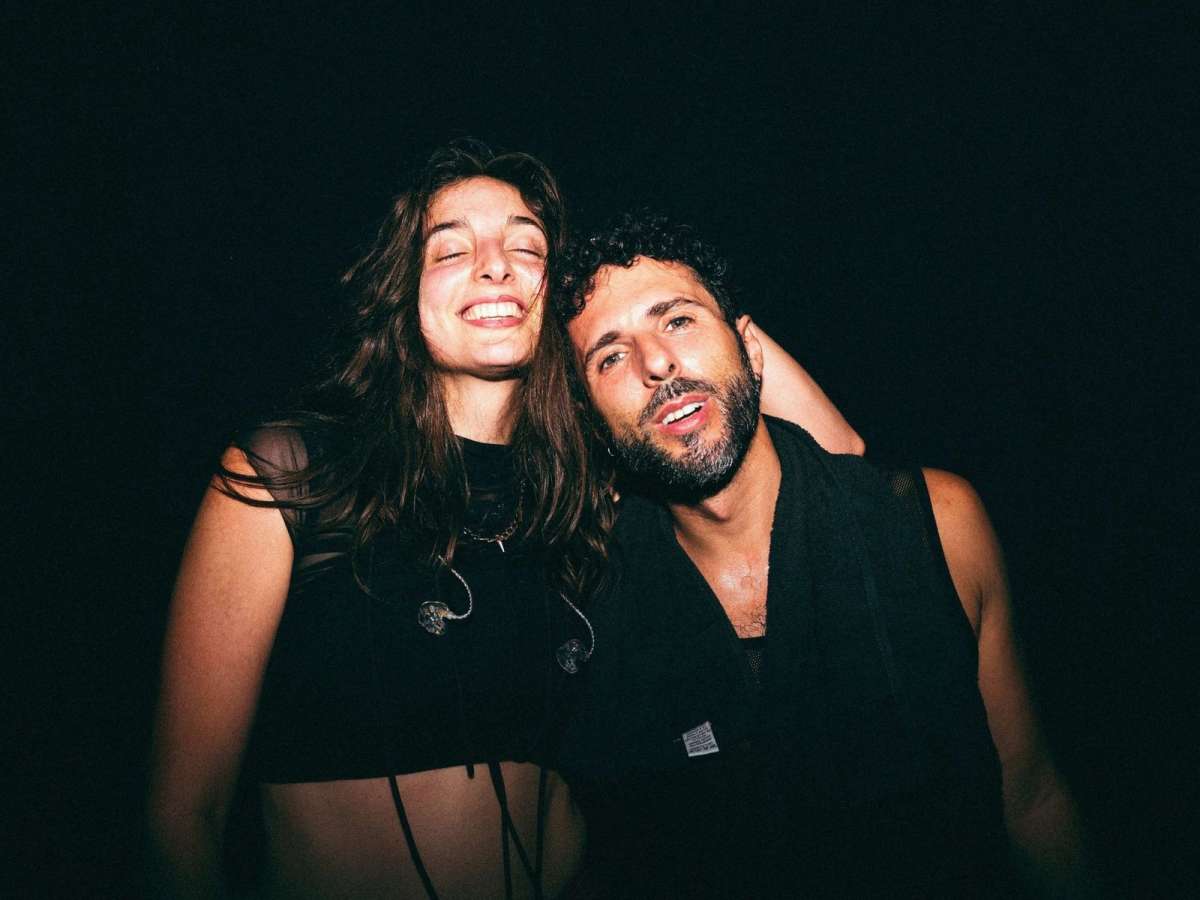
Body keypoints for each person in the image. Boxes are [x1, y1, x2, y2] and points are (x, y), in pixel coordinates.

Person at [145, 144, 861, 900]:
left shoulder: (587, 495)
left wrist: (665, 300)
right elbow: (183, 817)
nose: (496, 268)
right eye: (452, 249)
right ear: (401, 290)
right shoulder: (291, 475)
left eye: (526, 249)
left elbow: (837, 462)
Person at [555, 213, 1089, 898]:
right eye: (609, 356)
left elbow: (1032, 798)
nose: (656, 363)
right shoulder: (588, 616)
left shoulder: (936, 524)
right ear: (590, 421)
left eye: (679, 321)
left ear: (751, 349)